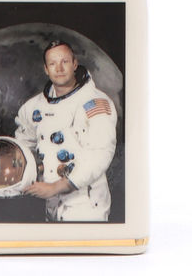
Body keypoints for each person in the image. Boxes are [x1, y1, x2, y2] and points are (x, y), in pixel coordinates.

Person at [14, 40, 117, 221]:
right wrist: (28, 169)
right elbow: (23, 145)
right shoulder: (34, 107)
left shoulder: (95, 103)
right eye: (53, 64)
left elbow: (100, 154)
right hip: (50, 202)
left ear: (75, 64)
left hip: (85, 203)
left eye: (65, 62)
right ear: (46, 69)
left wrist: (57, 187)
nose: (59, 68)